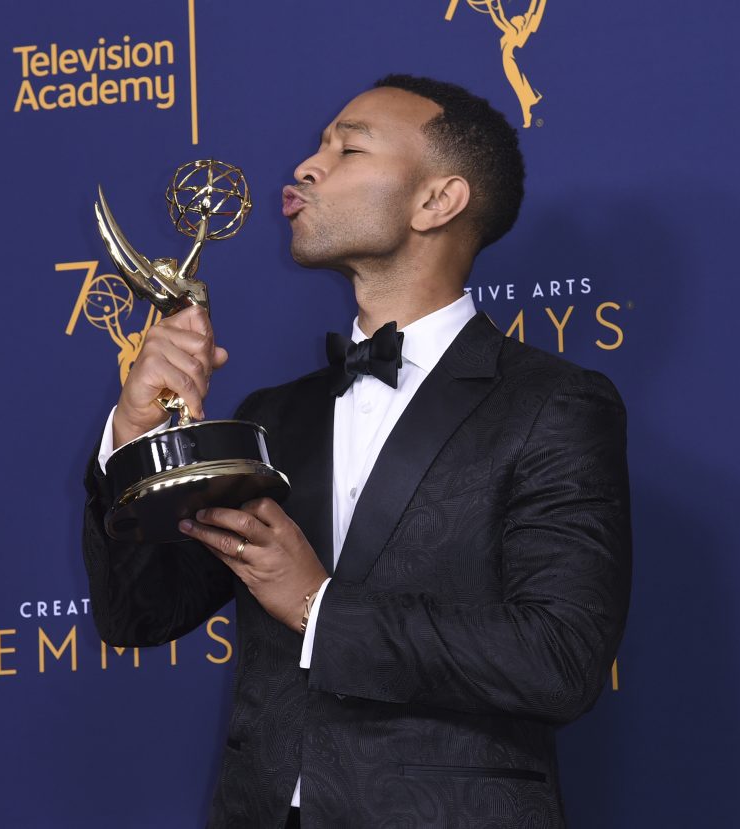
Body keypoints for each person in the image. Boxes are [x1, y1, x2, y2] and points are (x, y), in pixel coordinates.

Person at [82, 74, 632, 829]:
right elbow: (136, 612)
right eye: (315, 147)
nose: (306, 167)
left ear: (437, 201)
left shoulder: (552, 404)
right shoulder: (271, 416)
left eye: (348, 147)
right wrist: (136, 436)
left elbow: (560, 659)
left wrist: (318, 605)